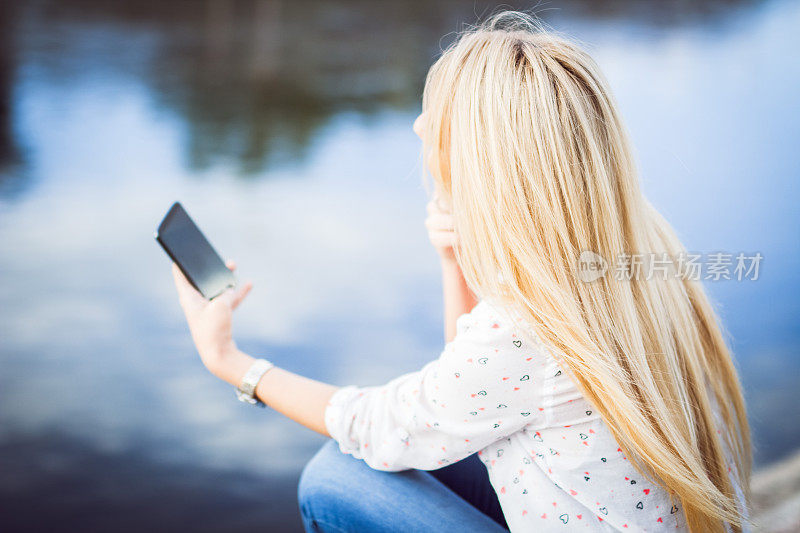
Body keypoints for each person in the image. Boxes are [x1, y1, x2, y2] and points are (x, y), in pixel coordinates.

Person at [171, 11, 751, 533]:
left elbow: (380, 425)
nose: (421, 130)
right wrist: (456, 262)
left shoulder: (529, 325)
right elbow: (464, 391)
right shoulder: (635, 247)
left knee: (335, 481)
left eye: (439, 122)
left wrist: (230, 362)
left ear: (487, 159)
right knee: (430, 451)